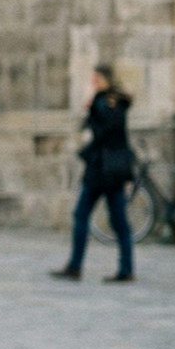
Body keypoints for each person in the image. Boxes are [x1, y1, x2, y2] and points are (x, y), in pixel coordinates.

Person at [53, 64, 136, 283]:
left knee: (84, 215)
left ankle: (76, 266)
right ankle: (124, 267)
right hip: (112, 170)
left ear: (103, 79)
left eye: (96, 78)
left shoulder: (103, 102)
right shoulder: (116, 101)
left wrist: (90, 109)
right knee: (118, 221)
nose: (93, 82)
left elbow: (101, 132)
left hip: (101, 170)